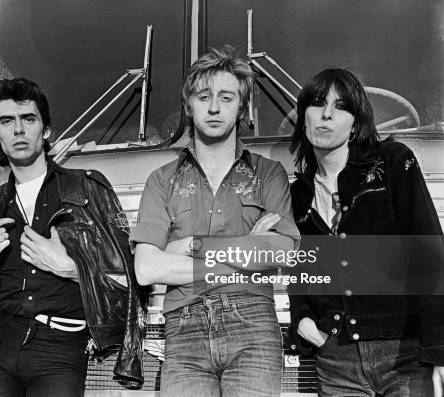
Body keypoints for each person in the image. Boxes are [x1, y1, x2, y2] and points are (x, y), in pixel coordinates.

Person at [131, 45, 300, 397]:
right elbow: (146, 269)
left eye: (226, 97)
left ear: (241, 107)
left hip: (254, 326)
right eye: (203, 96)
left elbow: (281, 250)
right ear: (188, 105)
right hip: (183, 328)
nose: (213, 107)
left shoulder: (268, 174)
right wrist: (246, 250)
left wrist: (191, 248)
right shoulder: (162, 179)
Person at [0, 77, 144, 396]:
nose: (18, 130)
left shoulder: (87, 189)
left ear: (45, 130)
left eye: (28, 119)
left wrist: (72, 268)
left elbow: (130, 279)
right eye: (7, 121)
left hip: (60, 349)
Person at [288, 68, 444, 396]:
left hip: (404, 356)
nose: (326, 114)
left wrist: (438, 350)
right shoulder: (297, 195)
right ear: (304, 116)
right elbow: (300, 270)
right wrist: (305, 323)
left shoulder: (392, 163)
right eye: (317, 103)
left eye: (340, 106)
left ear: (356, 123)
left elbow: (429, 253)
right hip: (336, 361)